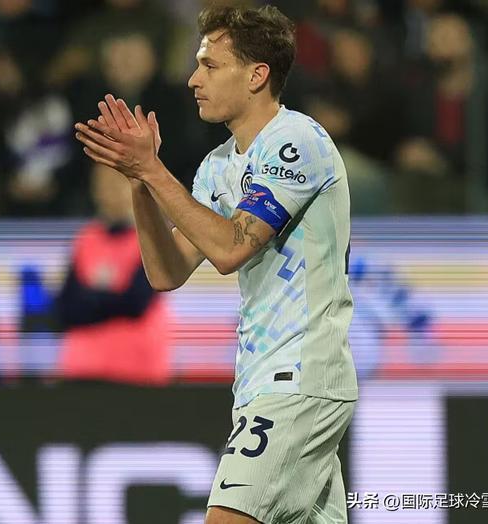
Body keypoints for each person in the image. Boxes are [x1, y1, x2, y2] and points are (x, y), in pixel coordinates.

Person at [75, 5, 358, 523]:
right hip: (258, 381)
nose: (193, 79)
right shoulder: (218, 166)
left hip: (298, 377)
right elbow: (166, 272)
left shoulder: (296, 143)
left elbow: (230, 249)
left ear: (256, 75)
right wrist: (139, 183)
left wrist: (154, 170)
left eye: (209, 65)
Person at [56, 163, 170, 385]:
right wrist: (110, 300)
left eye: (118, 182)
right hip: (82, 369)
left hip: (136, 371)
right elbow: (66, 307)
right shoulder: (85, 239)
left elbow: (136, 302)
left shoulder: (153, 237)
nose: (109, 191)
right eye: (103, 184)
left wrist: (90, 300)